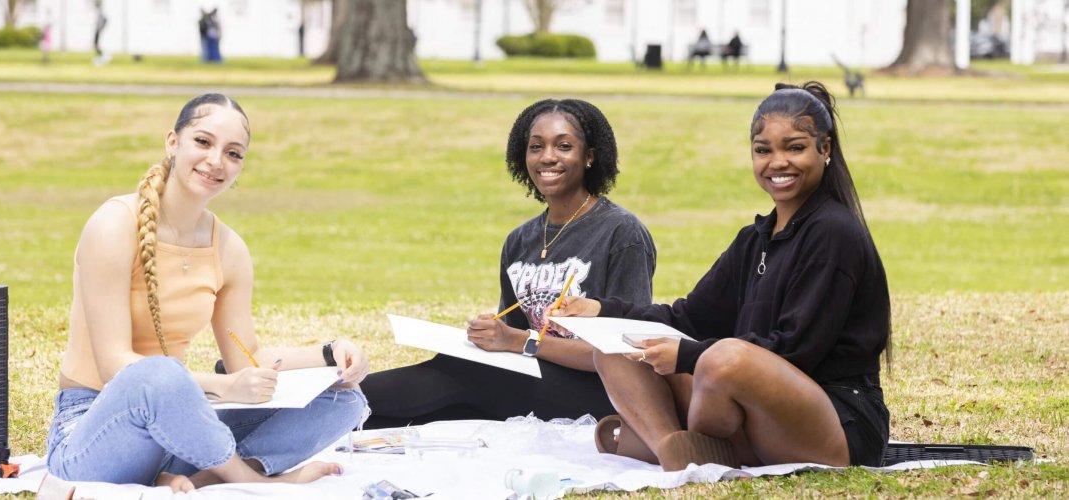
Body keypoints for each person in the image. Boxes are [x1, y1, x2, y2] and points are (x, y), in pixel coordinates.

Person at [553, 82, 891, 471]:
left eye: (794, 147)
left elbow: (798, 351)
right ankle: (672, 447)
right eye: (763, 150)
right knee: (620, 349)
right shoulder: (754, 240)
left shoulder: (834, 232)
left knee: (724, 357)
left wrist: (689, 356)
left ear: (825, 149)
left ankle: (663, 441)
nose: (777, 162)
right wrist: (601, 310)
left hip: (837, 425)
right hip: (750, 414)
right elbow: (687, 318)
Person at [46, 94, 369, 492]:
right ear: (172, 142)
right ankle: (250, 480)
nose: (216, 161)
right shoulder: (113, 224)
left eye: (233, 153)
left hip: (177, 427)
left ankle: (203, 477)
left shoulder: (229, 249)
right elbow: (117, 367)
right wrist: (223, 387)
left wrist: (330, 355)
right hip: (92, 430)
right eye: (203, 142)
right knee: (161, 373)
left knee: (344, 400)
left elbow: (246, 359)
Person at [360, 98, 657, 428]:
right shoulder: (520, 239)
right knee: (440, 410)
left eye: (563, 146)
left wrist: (517, 342)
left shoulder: (622, 233)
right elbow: (512, 329)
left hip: (598, 391)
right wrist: (491, 333)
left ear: (589, 156)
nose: (547, 157)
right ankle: (335, 416)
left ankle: (345, 398)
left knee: (468, 371)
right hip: (530, 383)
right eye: (535, 146)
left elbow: (623, 353)